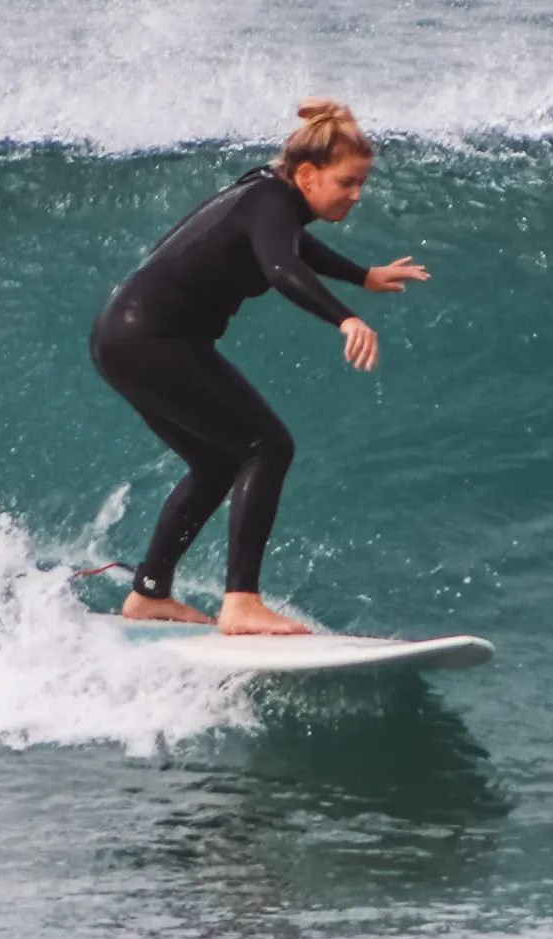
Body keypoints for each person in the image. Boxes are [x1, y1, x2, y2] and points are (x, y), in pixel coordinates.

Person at [90, 98, 429, 636]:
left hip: (122, 338)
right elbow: (281, 265)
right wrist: (344, 318)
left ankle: (149, 593)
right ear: (308, 175)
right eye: (347, 182)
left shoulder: (268, 196)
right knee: (268, 445)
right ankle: (242, 602)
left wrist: (362, 275)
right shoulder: (269, 200)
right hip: (154, 339)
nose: (356, 194)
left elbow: (292, 245)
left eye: (361, 182)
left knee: (217, 463)